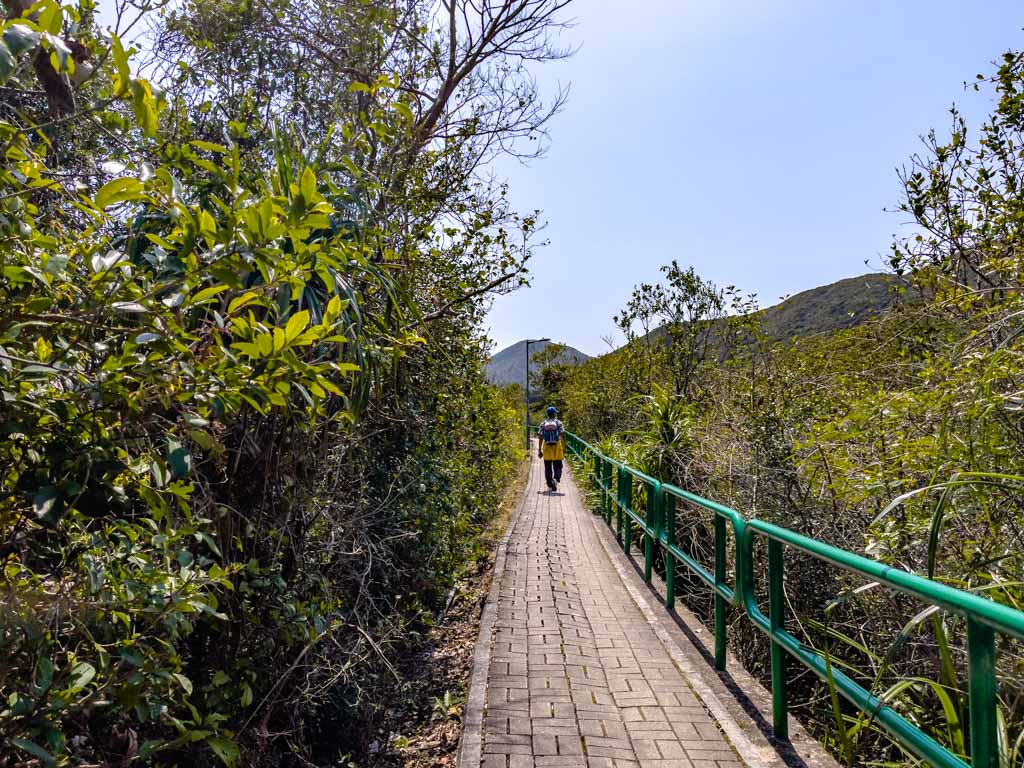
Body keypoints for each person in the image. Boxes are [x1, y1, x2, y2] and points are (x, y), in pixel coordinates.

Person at [537, 406, 565, 491]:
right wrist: (565, 447)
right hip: (557, 445)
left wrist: (539, 449)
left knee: (547, 465)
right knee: (558, 464)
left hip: (547, 446)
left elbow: (541, 436)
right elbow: (562, 434)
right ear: (554, 414)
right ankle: (556, 479)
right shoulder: (559, 423)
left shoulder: (543, 423)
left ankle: (549, 482)